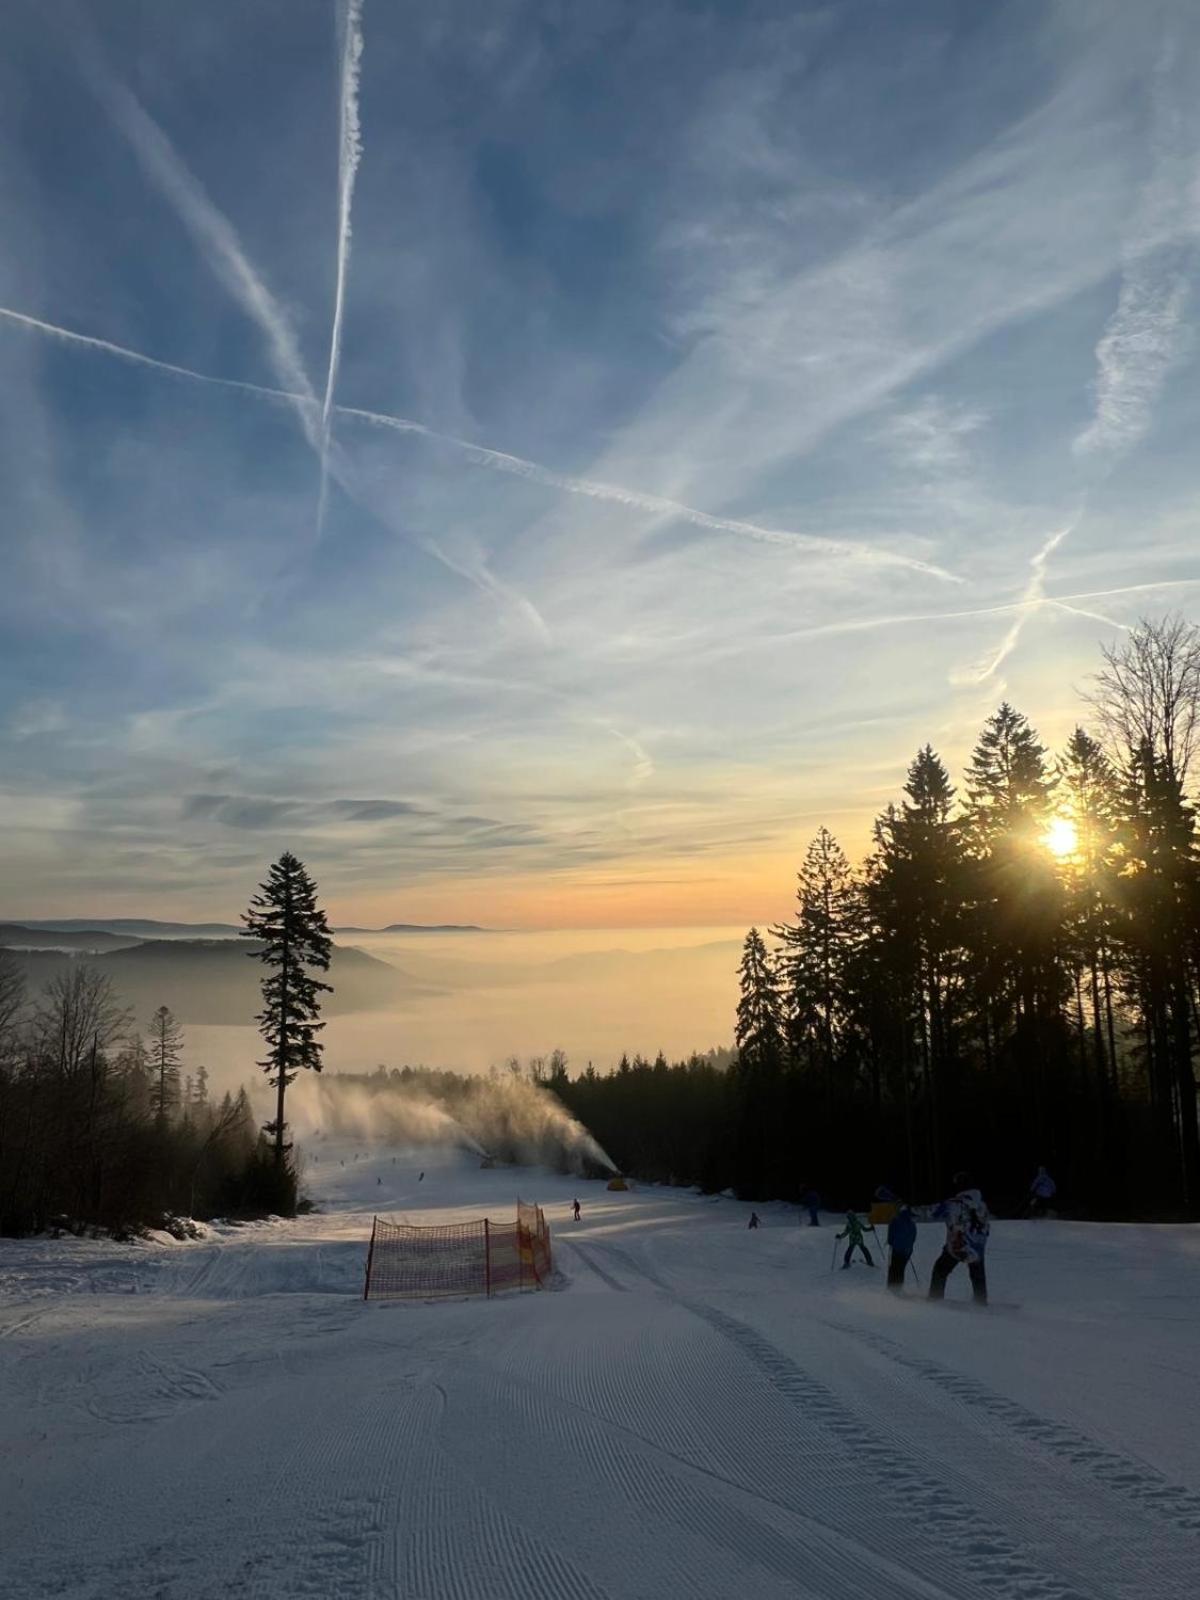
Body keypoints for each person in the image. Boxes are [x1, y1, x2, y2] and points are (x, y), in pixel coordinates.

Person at [928, 1173, 990, 1305]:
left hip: (958, 1246)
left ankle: (935, 1299)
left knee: (940, 1270)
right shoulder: (982, 1205)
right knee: (977, 1275)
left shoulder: (954, 1204)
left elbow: (931, 1211)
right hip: (978, 1246)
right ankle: (981, 1301)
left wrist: (908, 1211)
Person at [886, 1204, 917, 1290]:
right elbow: (913, 1237)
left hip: (897, 1249)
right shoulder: (912, 1224)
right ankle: (899, 1288)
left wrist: (890, 1242)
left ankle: (891, 1289)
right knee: (901, 1270)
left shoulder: (895, 1220)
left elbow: (890, 1235)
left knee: (893, 1269)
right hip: (907, 1251)